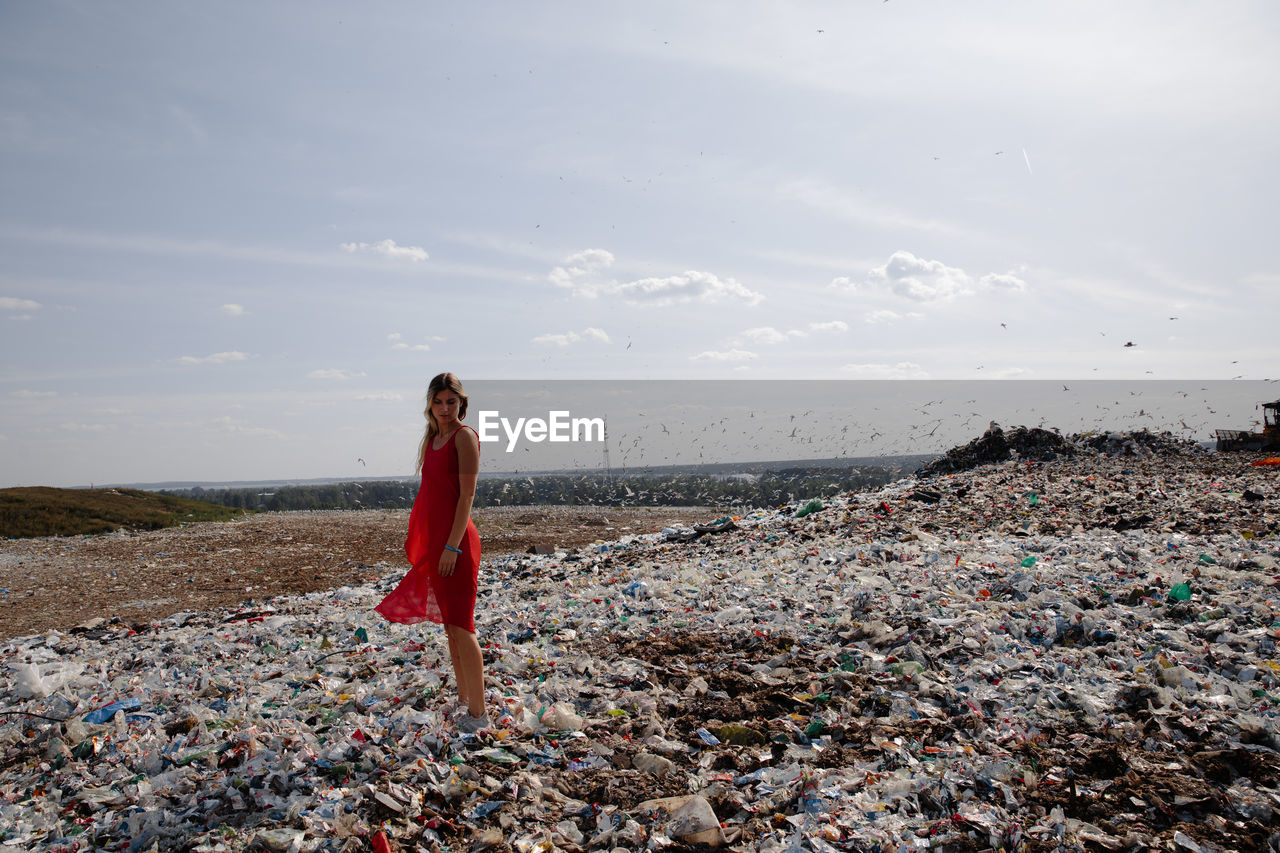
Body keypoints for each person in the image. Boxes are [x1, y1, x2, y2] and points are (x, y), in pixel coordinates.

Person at [375, 372, 488, 731]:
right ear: (430, 404)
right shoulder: (433, 439)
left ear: (461, 403)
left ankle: (479, 714)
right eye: (438, 402)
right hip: (439, 545)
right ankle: (463, 700)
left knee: (463, 624)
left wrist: (452, 546)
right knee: (450, 629)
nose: (444, 408)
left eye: (451, 402)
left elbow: (466, 498)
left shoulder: (464, 438)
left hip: (457, 544)